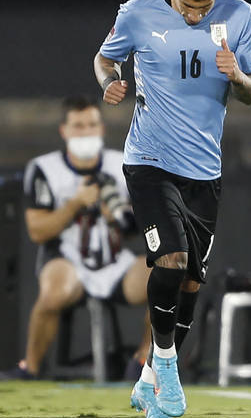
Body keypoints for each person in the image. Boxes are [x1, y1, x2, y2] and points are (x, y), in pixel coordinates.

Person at [93, 0, 251, 418]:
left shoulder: (239, 14)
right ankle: (166, 365)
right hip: (149, 160)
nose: (195, 14)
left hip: (204, 171)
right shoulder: (137, 12)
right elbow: (105, 60)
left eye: (203, 7)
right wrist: (112, 81)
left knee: (189, 281)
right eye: (188, 5)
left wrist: (238, 77)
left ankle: (148, 382)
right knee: (170, 259)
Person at [1, 95, 151, 381]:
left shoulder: (121, 163)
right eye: (79, 126)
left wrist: (120, 216)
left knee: (166, 277)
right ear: (64, 131)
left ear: (102, 128)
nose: (86, 132)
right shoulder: (45, 169)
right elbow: (37, 231)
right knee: (54, 290)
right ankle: (30, 367)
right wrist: (74, 205)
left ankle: (144, 361)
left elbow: (142, 227)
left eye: (92, 125)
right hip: (68, 259)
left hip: (115, 260)